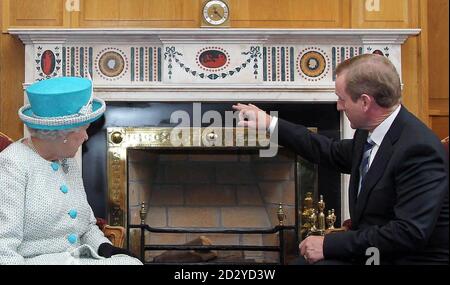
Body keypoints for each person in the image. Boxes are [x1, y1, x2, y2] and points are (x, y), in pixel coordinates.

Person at [233, 54, 449, 265]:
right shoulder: (370, 131)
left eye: (341, 99)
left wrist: (329, 245)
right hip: (374, 251)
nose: (338, 106)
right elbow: (330, 151)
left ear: (365, 102)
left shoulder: (418, 149)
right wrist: (271, 124)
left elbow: (408, 233)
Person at [0, 76, 142, 265]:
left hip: (76, 258)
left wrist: (106, 248)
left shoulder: (67, 161)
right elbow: (4, 248)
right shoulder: (12, 164)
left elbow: (86, 226)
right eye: (83, 130)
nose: (85, 137)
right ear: (61, 133)